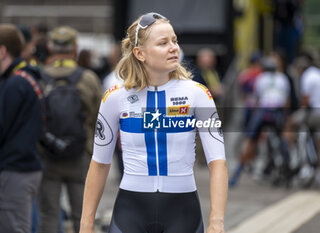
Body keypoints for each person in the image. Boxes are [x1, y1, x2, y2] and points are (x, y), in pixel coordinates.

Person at [80, 12, 228, 233]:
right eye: (163, 43)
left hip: (183, 212)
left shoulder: (198, 94)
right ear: (140, 53)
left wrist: (217, 221)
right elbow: (100, 164)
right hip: (130, 212)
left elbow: (218, 162)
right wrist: (86, 224)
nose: (173, 47)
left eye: (174, 40)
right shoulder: (114, 97)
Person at [38, 26, 102, 233]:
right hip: (81, 154)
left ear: (50, 47)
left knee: (49, 214)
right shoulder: (88, 78)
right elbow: (98, 116)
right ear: (75, 47)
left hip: (47, 155)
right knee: (83, 214)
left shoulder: (39, 77)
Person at [0, 23, 43, 233]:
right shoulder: (27, 77)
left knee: (14, 227)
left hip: (15, 169)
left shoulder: (14, 84)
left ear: (2, 51)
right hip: (25, 166)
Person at [229, 57, 290, 187]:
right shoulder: (283, 78)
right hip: (278, 111)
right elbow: (286, 100)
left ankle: (236, 176)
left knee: (250, 141)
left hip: (264, 111)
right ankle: (287, 167)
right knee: (282, 137)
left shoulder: (261, 78)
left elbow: (257, 98)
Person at [292, 52, 320, 189]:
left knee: (290, 124)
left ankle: (299, 162)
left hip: (315, 113)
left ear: (300, 68)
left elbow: (306, 100)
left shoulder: (307, 77)